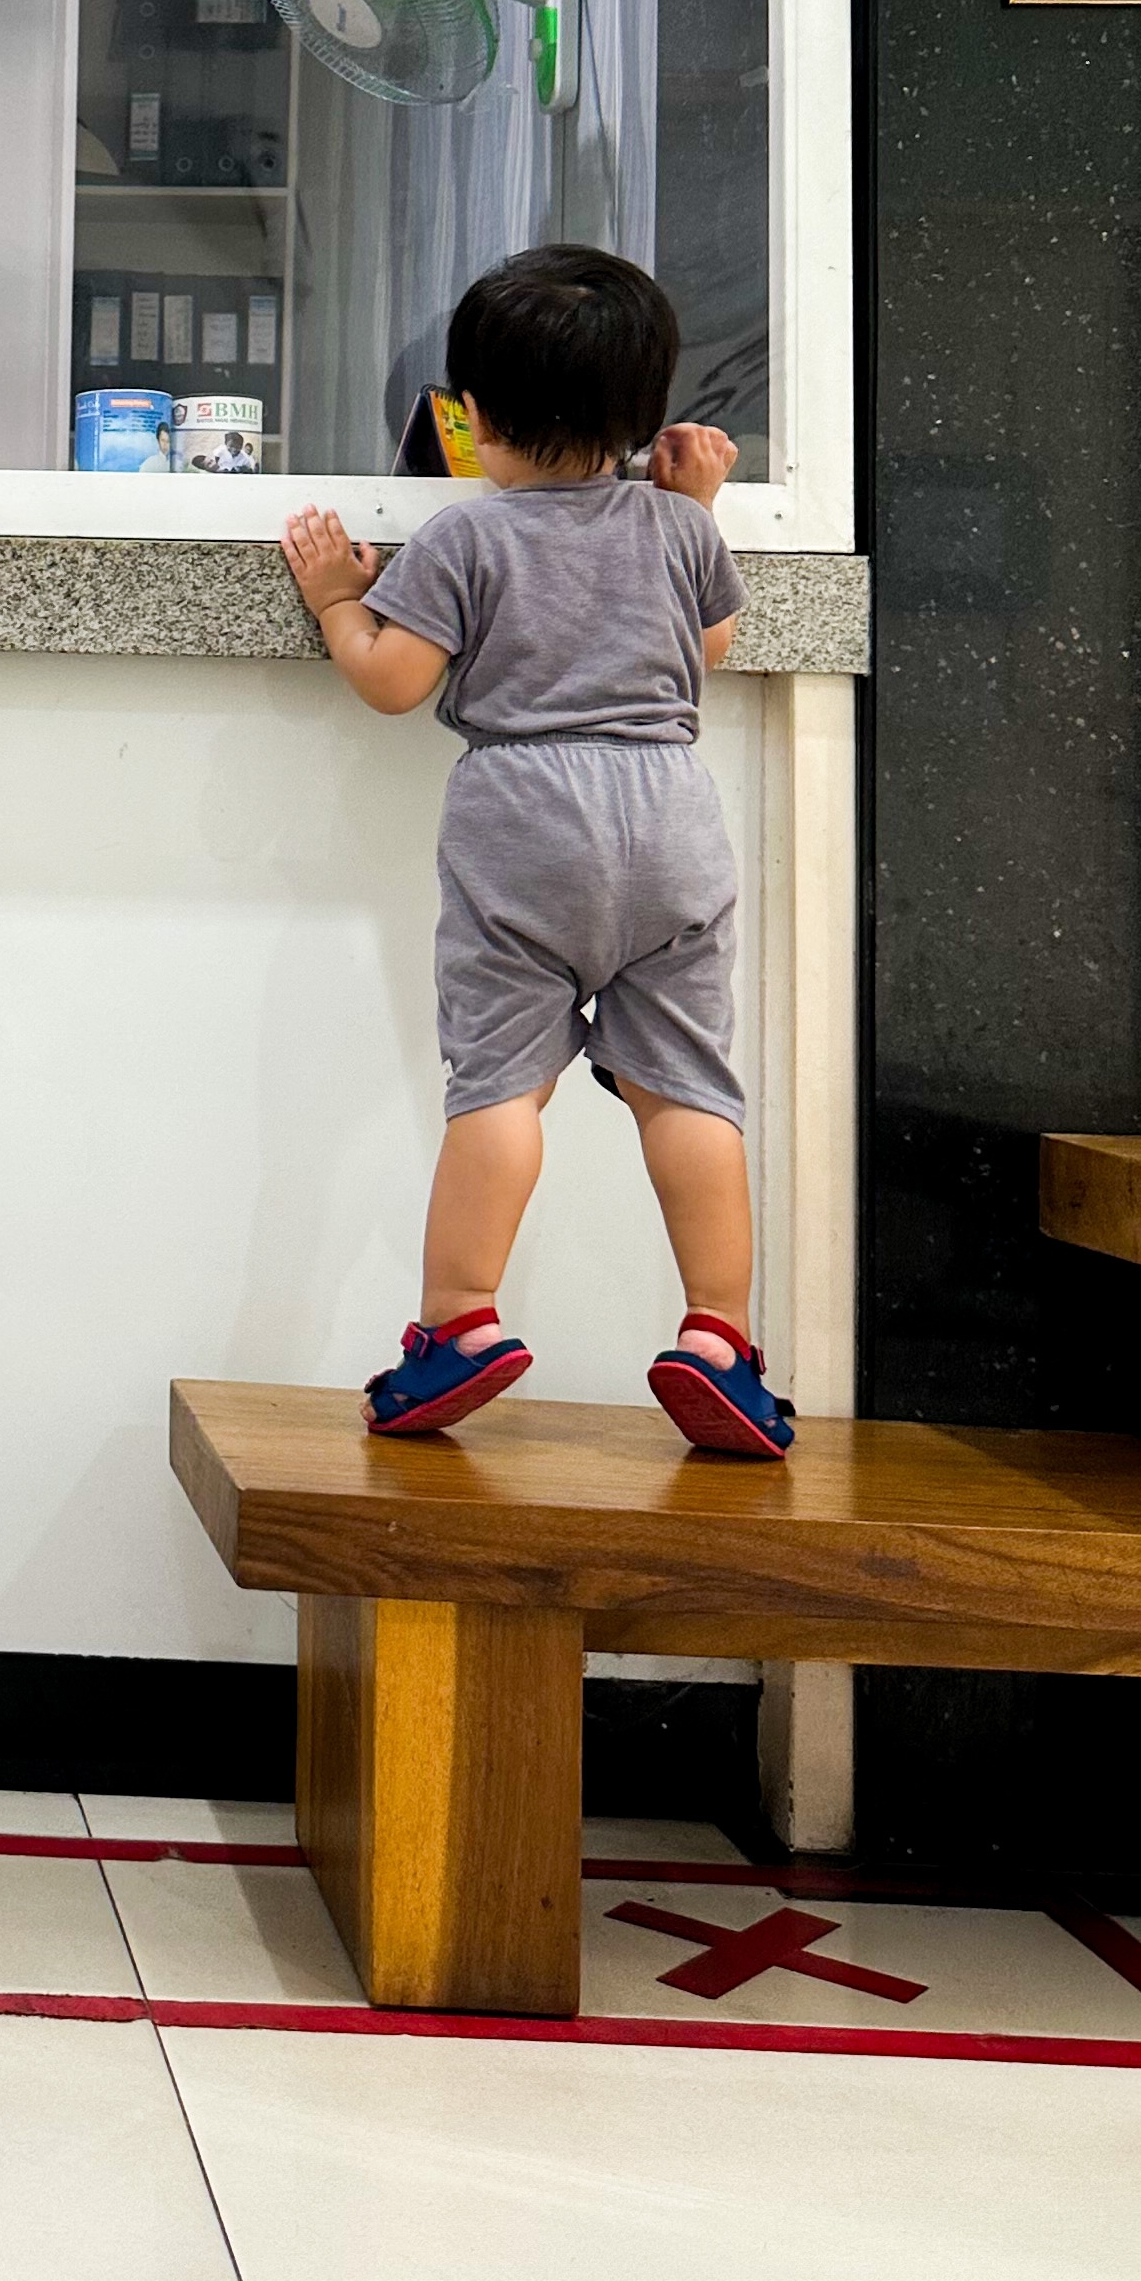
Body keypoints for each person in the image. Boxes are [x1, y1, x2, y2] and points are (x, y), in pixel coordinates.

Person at [277, 243, 792, 1460]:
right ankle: (720, 1337)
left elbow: (396, 685)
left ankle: (459, 1326)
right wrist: (694, 507)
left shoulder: (466, 542)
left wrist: (339, 601)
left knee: (502, 1084)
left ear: (476, 417)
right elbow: (707, 650)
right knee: (689, 1090)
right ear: (644, 416)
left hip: (524, 823)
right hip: (670, 818)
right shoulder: (677, 532)